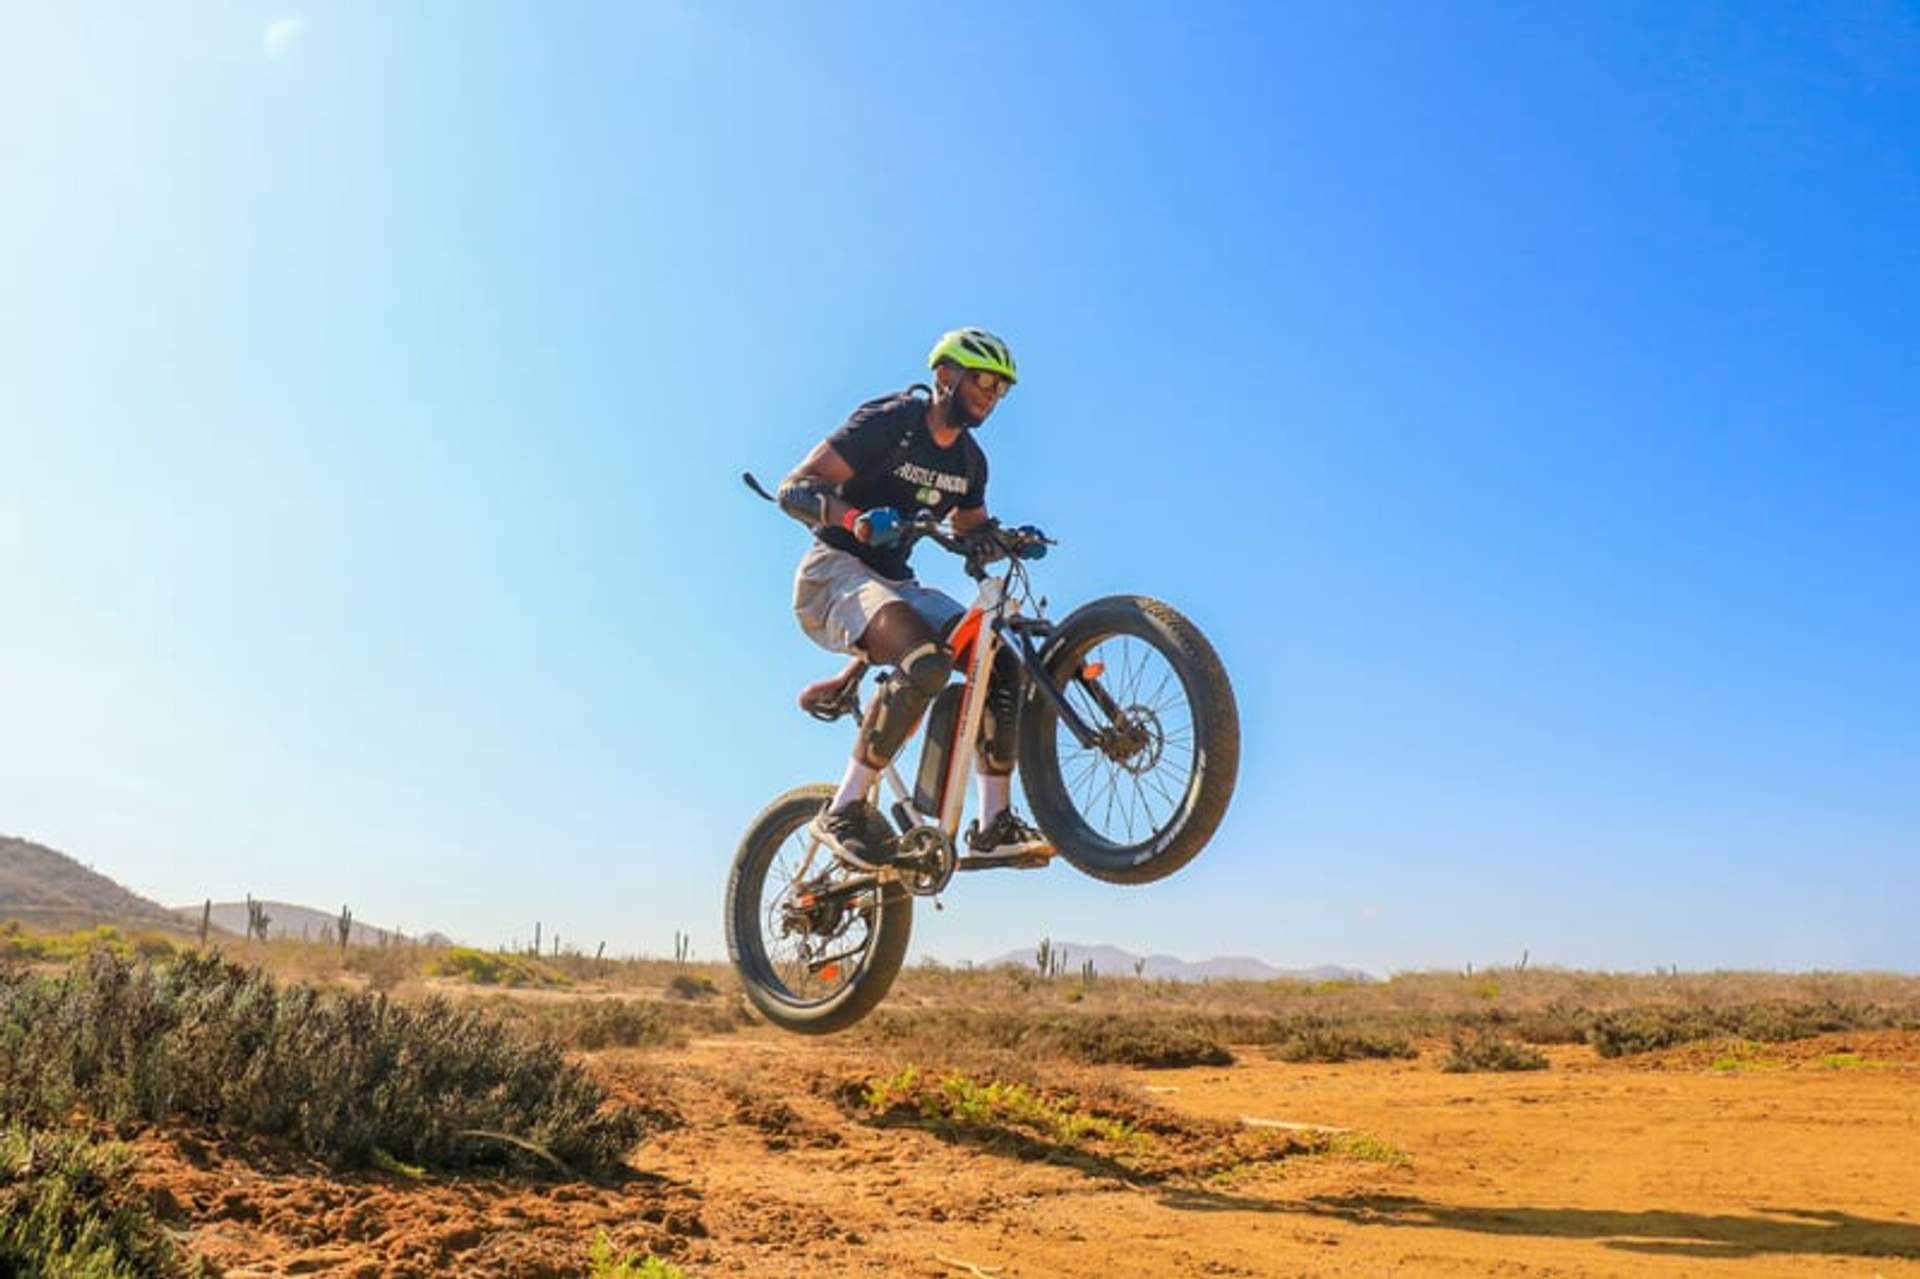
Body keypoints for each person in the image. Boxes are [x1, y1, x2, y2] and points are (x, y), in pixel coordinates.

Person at [775, 327, 1049, 870]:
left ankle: (993, 823)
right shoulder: (891, 422)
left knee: (1000, 667)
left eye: (1001, 389)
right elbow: (795, 488)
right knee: (926, 662)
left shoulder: (970, 462)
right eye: (983, 381)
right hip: (833, 572)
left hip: (897, 587)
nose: (991, 395)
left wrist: (1007, 539)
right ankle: (844, 809)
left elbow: (971, 528)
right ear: (945, 375)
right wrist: (853, 520)